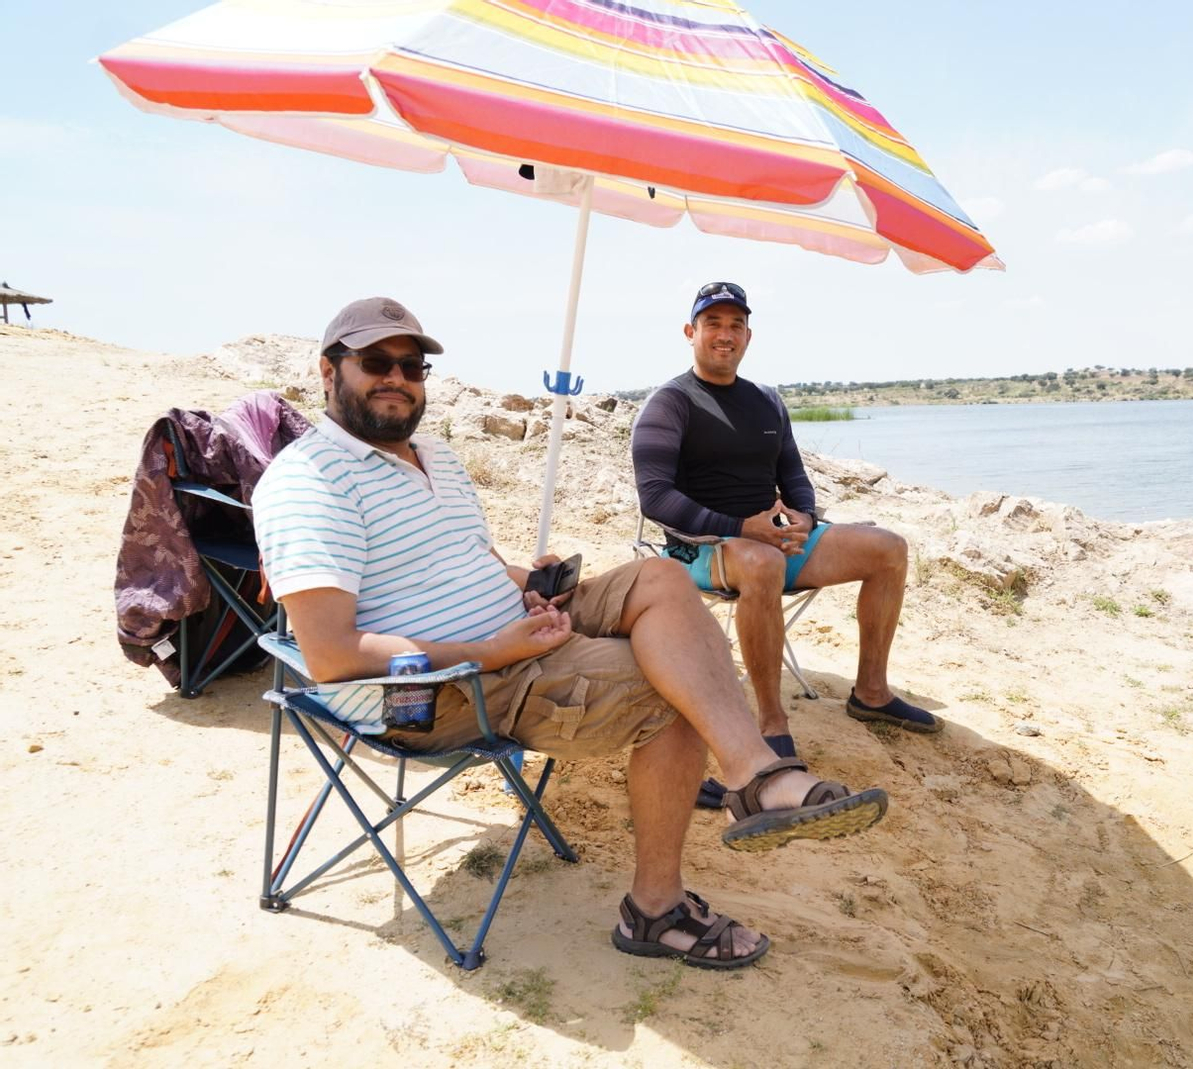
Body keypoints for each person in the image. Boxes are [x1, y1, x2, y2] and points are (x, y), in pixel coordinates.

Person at [252, 297, 889, 971]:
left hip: (519, 628)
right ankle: (657, 909)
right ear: (328, 371)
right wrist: (495, 650)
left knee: (662, 580)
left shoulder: (429, 452)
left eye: (412, 364)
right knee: (675, 689)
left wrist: (526, 577)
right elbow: (330, 656)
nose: (398, 377)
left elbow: (468, 554)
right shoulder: (307, 481)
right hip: (449, 688)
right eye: (376, 362)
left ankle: (751, 773)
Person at [632, 282, 942, 808]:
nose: (724, 335)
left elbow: (794, 475)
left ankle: (871, 693)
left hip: (772, 543)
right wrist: (740, 526)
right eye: (713, 324)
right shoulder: (670, 403)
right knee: (761, 562)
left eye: (735, 326)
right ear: (691, 333)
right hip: (699, 548)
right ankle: (772, 724)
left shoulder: (767, 401)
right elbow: (655, 499)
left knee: (888, 547)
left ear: (748, 336)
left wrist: (803, 515)